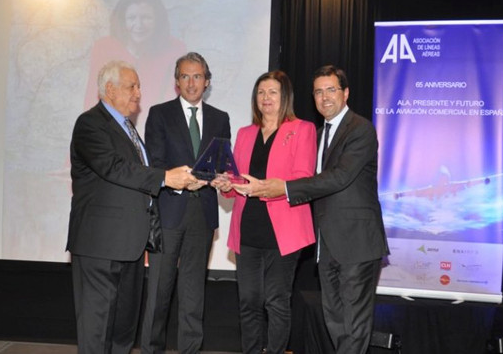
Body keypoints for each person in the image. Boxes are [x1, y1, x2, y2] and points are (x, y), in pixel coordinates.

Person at [233, 65, 390, 354]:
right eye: (318, 91)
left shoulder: (361, 129)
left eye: (331, 90)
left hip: (356, 242)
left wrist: (285, 188)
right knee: (335, 320)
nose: (324, 97)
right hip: (328, 244)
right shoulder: (319, 134)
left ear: (345, 93)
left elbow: (339, 177)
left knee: (353, 325)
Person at [67, 60, 200, 354]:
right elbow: (114, 168)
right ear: (110, 89)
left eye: (139, 86)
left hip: (132, 245)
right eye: (132, 86)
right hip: (100, 246)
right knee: (96, 330)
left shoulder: (127, 128)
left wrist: (178, 182)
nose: (139, 93)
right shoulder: (90, 124)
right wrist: (165, 176)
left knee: (123, 331)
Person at [212, 70, 317, 354]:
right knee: (248, 301)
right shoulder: (246, 134)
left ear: (285, 97)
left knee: (276, 301)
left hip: (282, 232)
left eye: (272, 92)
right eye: (261, 92)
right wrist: (226, 184)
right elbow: (237, 185)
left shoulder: (302, 129)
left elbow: (303, 178)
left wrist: (264, 188)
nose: (266, 98)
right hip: (248, 230)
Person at [140, 52, 231, 354]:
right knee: (158, 294)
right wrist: (179, 181)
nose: (191, 83)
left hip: (202, 216)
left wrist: (220, 178)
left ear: (207, 81)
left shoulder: (220, 118)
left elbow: (223, 165)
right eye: (185, 76)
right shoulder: (159, 113)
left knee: (194, 295)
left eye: (197, 76)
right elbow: (155, 163)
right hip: (169, 211)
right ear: (176, 82)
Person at [84, 0, 187, 131]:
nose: (139, 25)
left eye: (146, 18)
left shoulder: (175, 49)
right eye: (132, 18)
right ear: (122, 21)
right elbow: (92, 99)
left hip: (156, 135)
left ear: (158, 21)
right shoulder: (104, 48)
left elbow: (175, 107)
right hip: (110, 134)